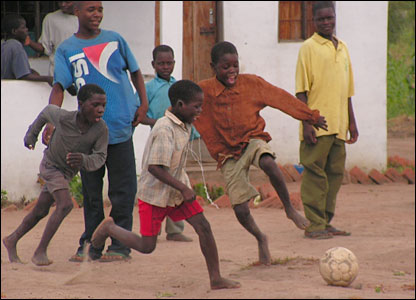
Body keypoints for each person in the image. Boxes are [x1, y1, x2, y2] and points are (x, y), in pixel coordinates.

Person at [91, 80, 240, 290]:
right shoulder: (164, 129)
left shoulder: (185, 124)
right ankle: (111, 228)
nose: (200, 110)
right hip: (156, 195)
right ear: (180, 105)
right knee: (147, 246)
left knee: (203, 227)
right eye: (196, 106)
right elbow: (155, 168)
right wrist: (183, 187)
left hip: (176, 192)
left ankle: (215, 278)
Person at [193, 41, 328, 265]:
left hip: (252, 139)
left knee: (268, 162)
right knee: (240, 210)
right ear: (213, 67)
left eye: (235, 65)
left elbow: (281, 98)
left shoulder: (251, 84)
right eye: (225, 67)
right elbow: (184, 105)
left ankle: (289, 209)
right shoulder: (204, 90)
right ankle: (260, 237)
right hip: (227, 153)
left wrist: (309, 116)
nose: (232, 71)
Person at [44, 1, 149, 262]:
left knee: (123, 190)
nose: (97, 14)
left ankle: (120, 246)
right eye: (91, 9)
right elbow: (59, 87)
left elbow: (135, 73)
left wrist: (142, 103)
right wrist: (51, 120)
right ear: (76, 12)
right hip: (87, 135)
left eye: (100, 9)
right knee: (92, 193)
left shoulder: (115, 40)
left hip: (120, 127)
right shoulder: (67, 49)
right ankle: (91, 244)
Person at [2, 83, 108, 266]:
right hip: (50, 166)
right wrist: (31, 135)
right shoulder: (64, 118)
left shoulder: (101, 130)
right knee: (65, 204)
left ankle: (11, 239)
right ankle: (40, 251)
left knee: (40, 211)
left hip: (66, 173)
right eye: (95, 105)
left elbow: (99, 157)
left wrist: (83, 159)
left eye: (103, 106)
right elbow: (46, 111)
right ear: (81, 104)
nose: (100, 110)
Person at [295, 1, 358, 239]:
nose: (326, 22)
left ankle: (325, 220)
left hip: (339, 126)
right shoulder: (308, 48)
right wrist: (307, 122)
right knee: (314, 173)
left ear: (335, 18)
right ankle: (314, 224)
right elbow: (301, 91)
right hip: (317, 125)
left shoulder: (342, 47)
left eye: (330, 18)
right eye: (321, 19)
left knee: (334, 174)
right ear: (314, 21)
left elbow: (347, 91)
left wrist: (351, 122)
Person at [142, 44, 199, 242]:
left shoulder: (179, 86)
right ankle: (153, 230)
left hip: (178, 141)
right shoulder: (148, 88)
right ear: (153, 65)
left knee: (179, 180)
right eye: (161, 63)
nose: (165, 67)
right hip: (161, 140)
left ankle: (175, 230)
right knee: (159, 182)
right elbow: (140, 115)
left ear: (174, 63)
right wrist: (158, 123)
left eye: (169, 63)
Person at [25, 1, 78, 76]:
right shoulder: (51, 18)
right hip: (59, 73)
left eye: (67, 2)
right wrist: (29, 42)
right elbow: (45, 48)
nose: (63, 4)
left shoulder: (86, 18)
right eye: (60, 2)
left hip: (81, 71)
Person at [1, 14, 52, 85]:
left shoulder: (4, 44)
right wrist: (47, 79)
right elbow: (23, 76)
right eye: (23, 27)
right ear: (14, 31)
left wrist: (31, 70)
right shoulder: (16, 46)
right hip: (13, 89)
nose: (26, 30)